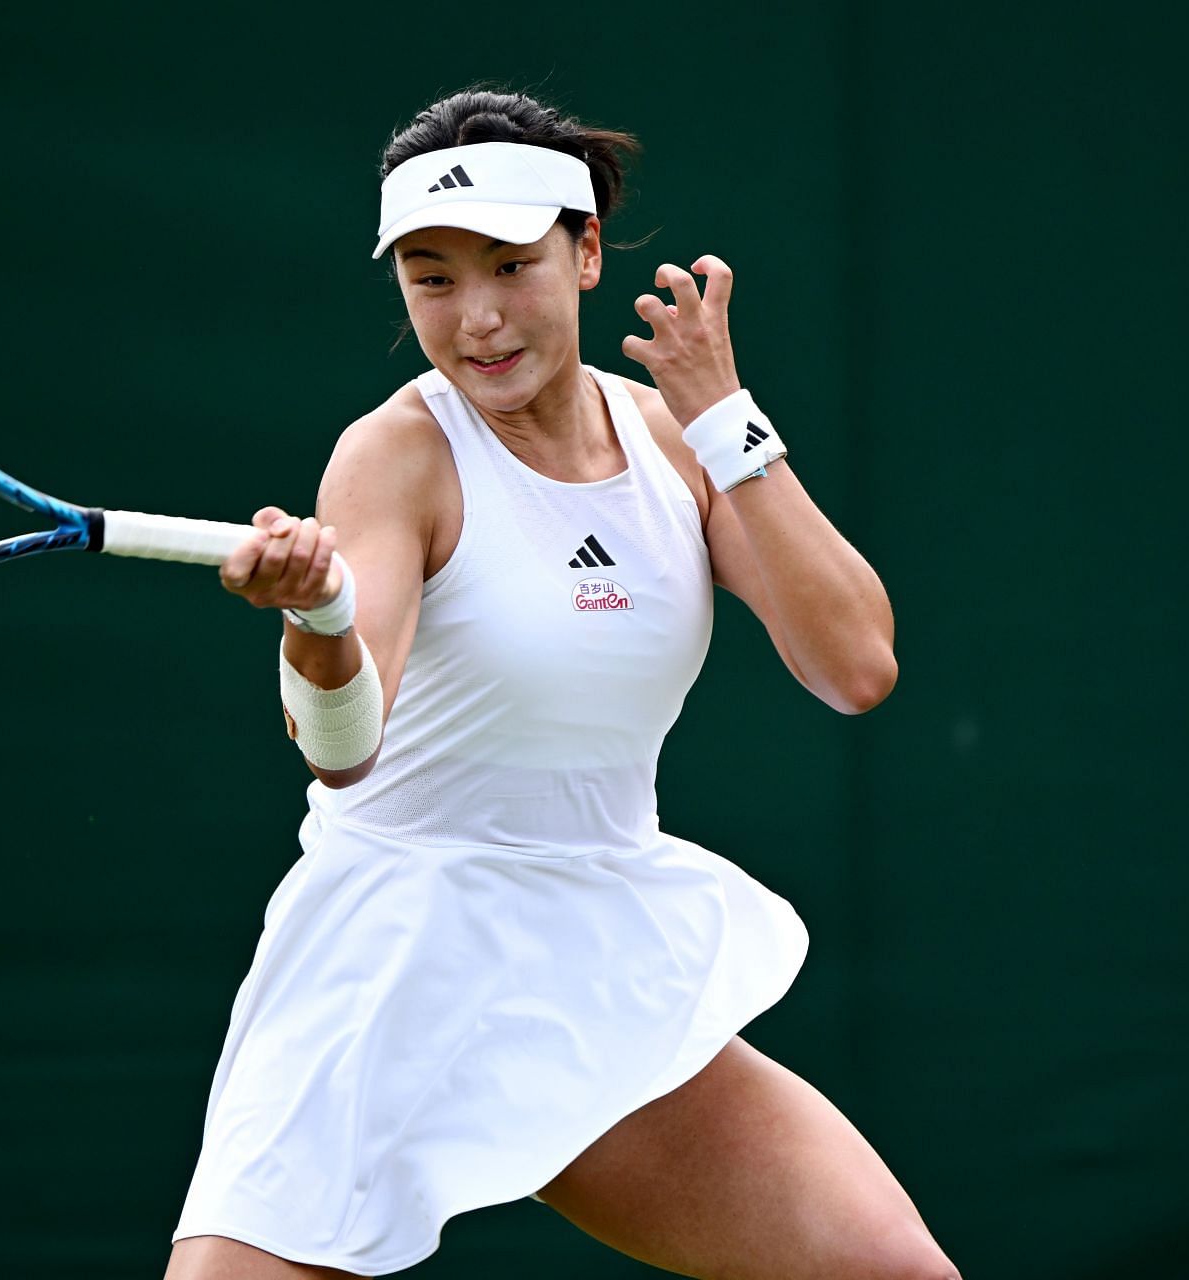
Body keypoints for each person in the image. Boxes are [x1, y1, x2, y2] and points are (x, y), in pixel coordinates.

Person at [166, 89, 959, 1280]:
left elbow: (856, 667)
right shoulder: (395, 453)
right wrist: (320, 625)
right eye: (432, 278)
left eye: (510, 265)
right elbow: (342, 744)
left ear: (586, 253)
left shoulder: (673, 442)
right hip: (393, 957)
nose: (477, 317)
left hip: (596, 949)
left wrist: (727, 421)